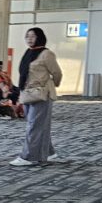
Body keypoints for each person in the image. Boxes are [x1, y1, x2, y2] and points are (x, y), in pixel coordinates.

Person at [11, 27, 62, 167]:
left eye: (33, 36)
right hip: (28, 93)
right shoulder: (28, 53)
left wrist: (51, 85)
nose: (29, 39)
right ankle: (50, 152)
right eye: (27, 36)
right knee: (39, 125)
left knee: (34, 126)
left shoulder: (46, 54)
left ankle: (28, 156)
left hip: (42, 94)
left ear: (40, 37)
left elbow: (57, 73)